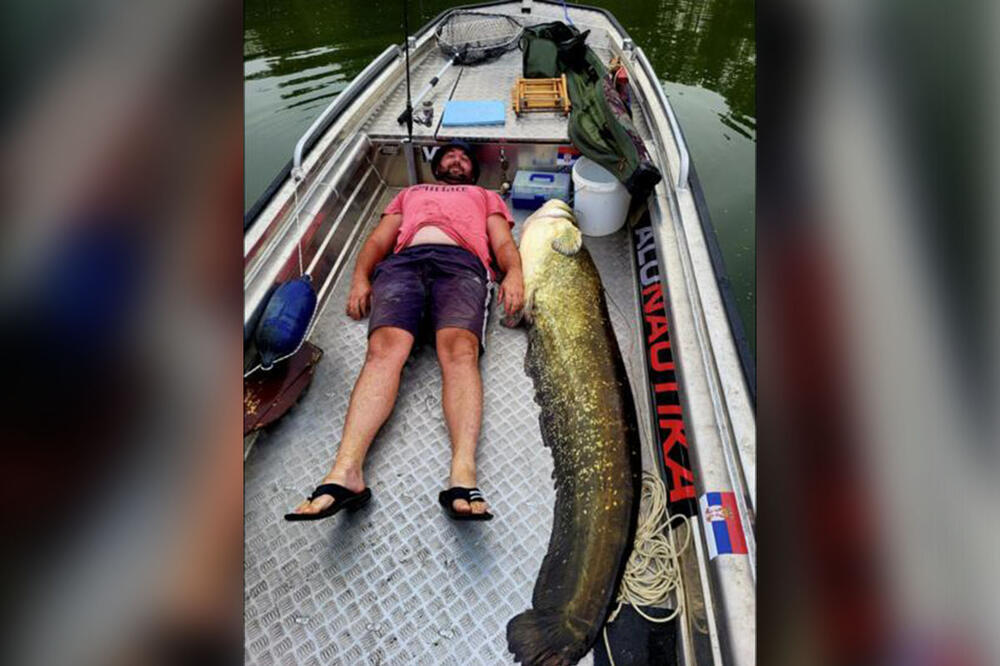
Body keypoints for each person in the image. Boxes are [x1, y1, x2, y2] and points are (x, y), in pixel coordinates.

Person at [285, 141, 523, 522]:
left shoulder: (484, 195)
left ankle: (463, 473)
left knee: (460, 351)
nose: (457, 160)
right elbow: (379, 239)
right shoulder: (410, 193)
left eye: (464, 158)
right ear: (436, 167)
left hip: (462, 266)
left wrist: (515, 273)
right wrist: (360, 279)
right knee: (383, 351)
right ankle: (346, 472)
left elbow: (503, 242)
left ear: (473, 172)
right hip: (404, 264)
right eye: (450, 155)